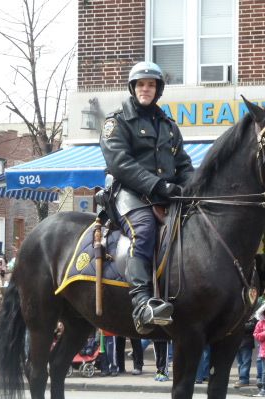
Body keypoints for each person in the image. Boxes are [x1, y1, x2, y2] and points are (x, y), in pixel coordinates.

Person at [100, 61, 195, 334]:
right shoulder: (116, 121)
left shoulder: (169, 126)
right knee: (144, 230)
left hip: (164, 195)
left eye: (151, 85)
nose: (145, 89)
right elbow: (120, 163)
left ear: (158, 90)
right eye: (141, 84)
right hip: (129, 194)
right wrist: (158, 186)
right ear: (133, 88)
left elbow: (184, 165)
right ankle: (142, 303)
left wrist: (191, 189)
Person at [234, 286, 259, 388]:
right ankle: (241, 378)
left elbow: (252, 326)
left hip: (246, 341)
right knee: (239, 362)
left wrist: (239, 326)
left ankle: (244, 379)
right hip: (236, 341)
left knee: (245, 361)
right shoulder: (236, 311)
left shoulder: (253, 313)